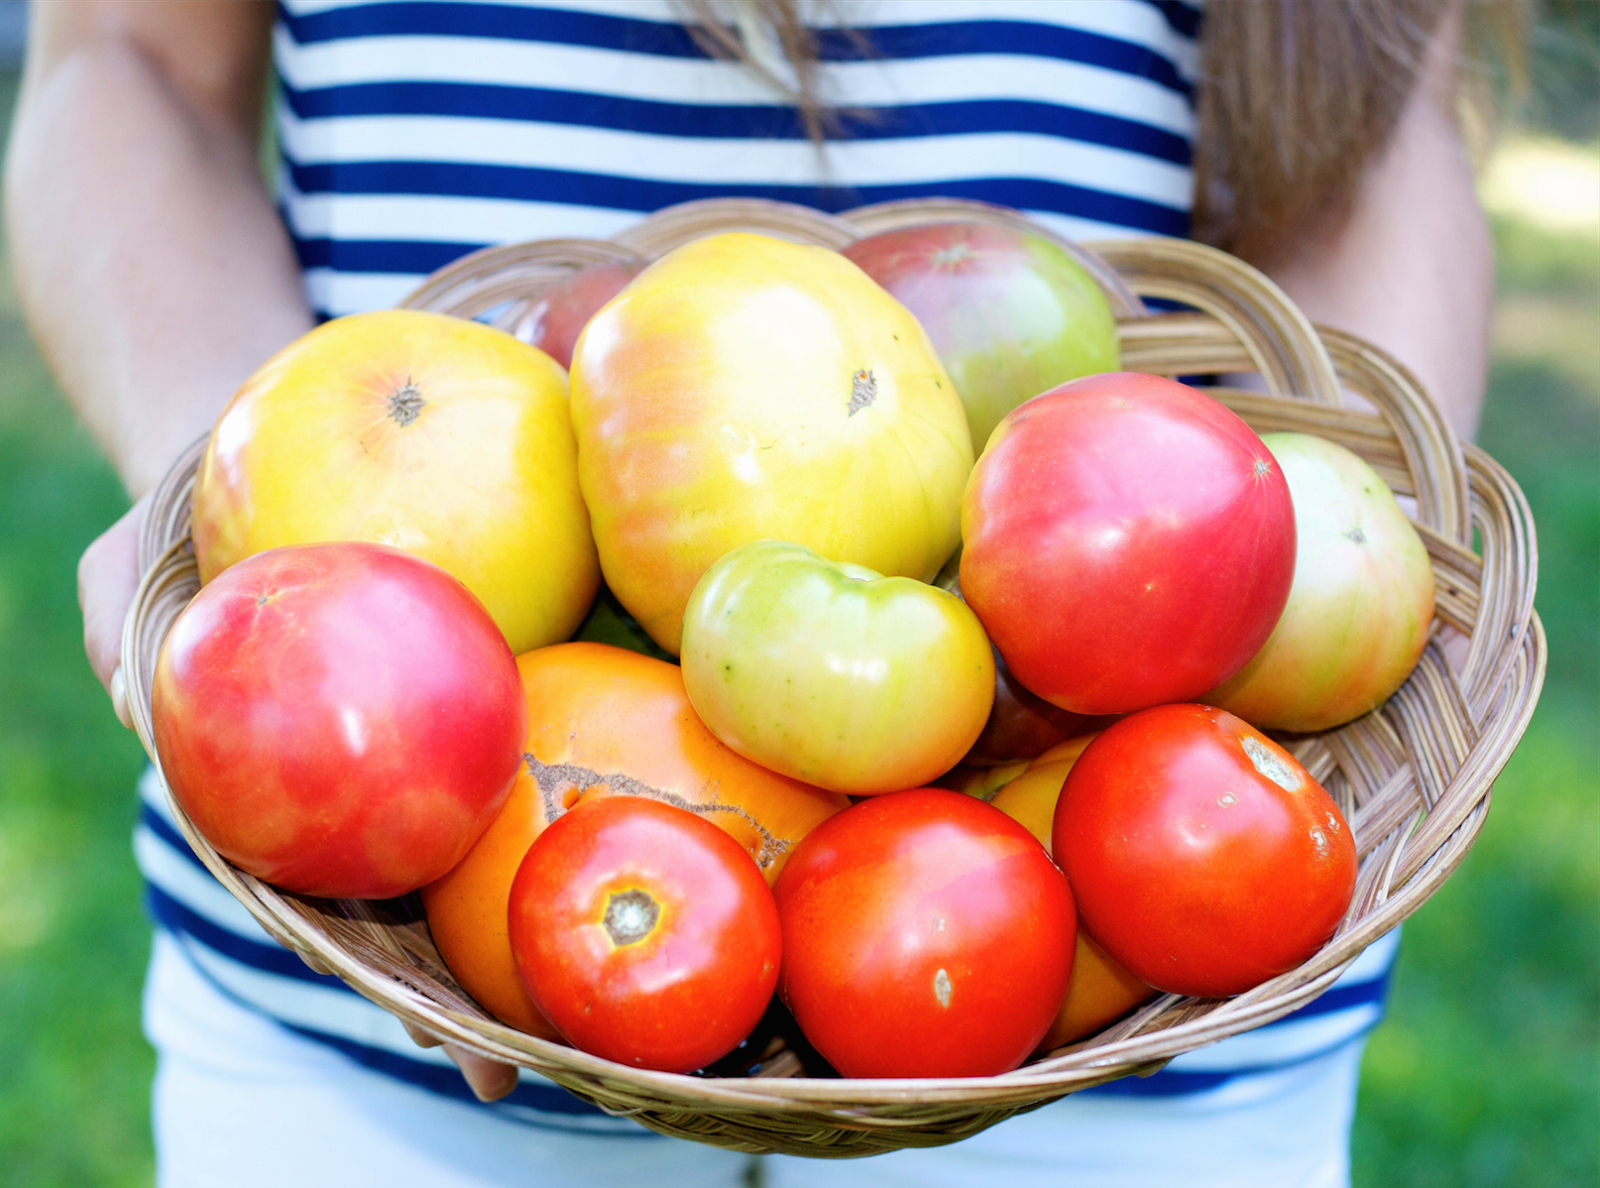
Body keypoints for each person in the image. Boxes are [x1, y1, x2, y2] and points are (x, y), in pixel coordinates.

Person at [5, 2, 1496, 1185]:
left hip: (1157, 1037)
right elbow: (125, 59)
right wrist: (222, 500)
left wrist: (1341, 588)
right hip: (373, 1042)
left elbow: (1384, 119)